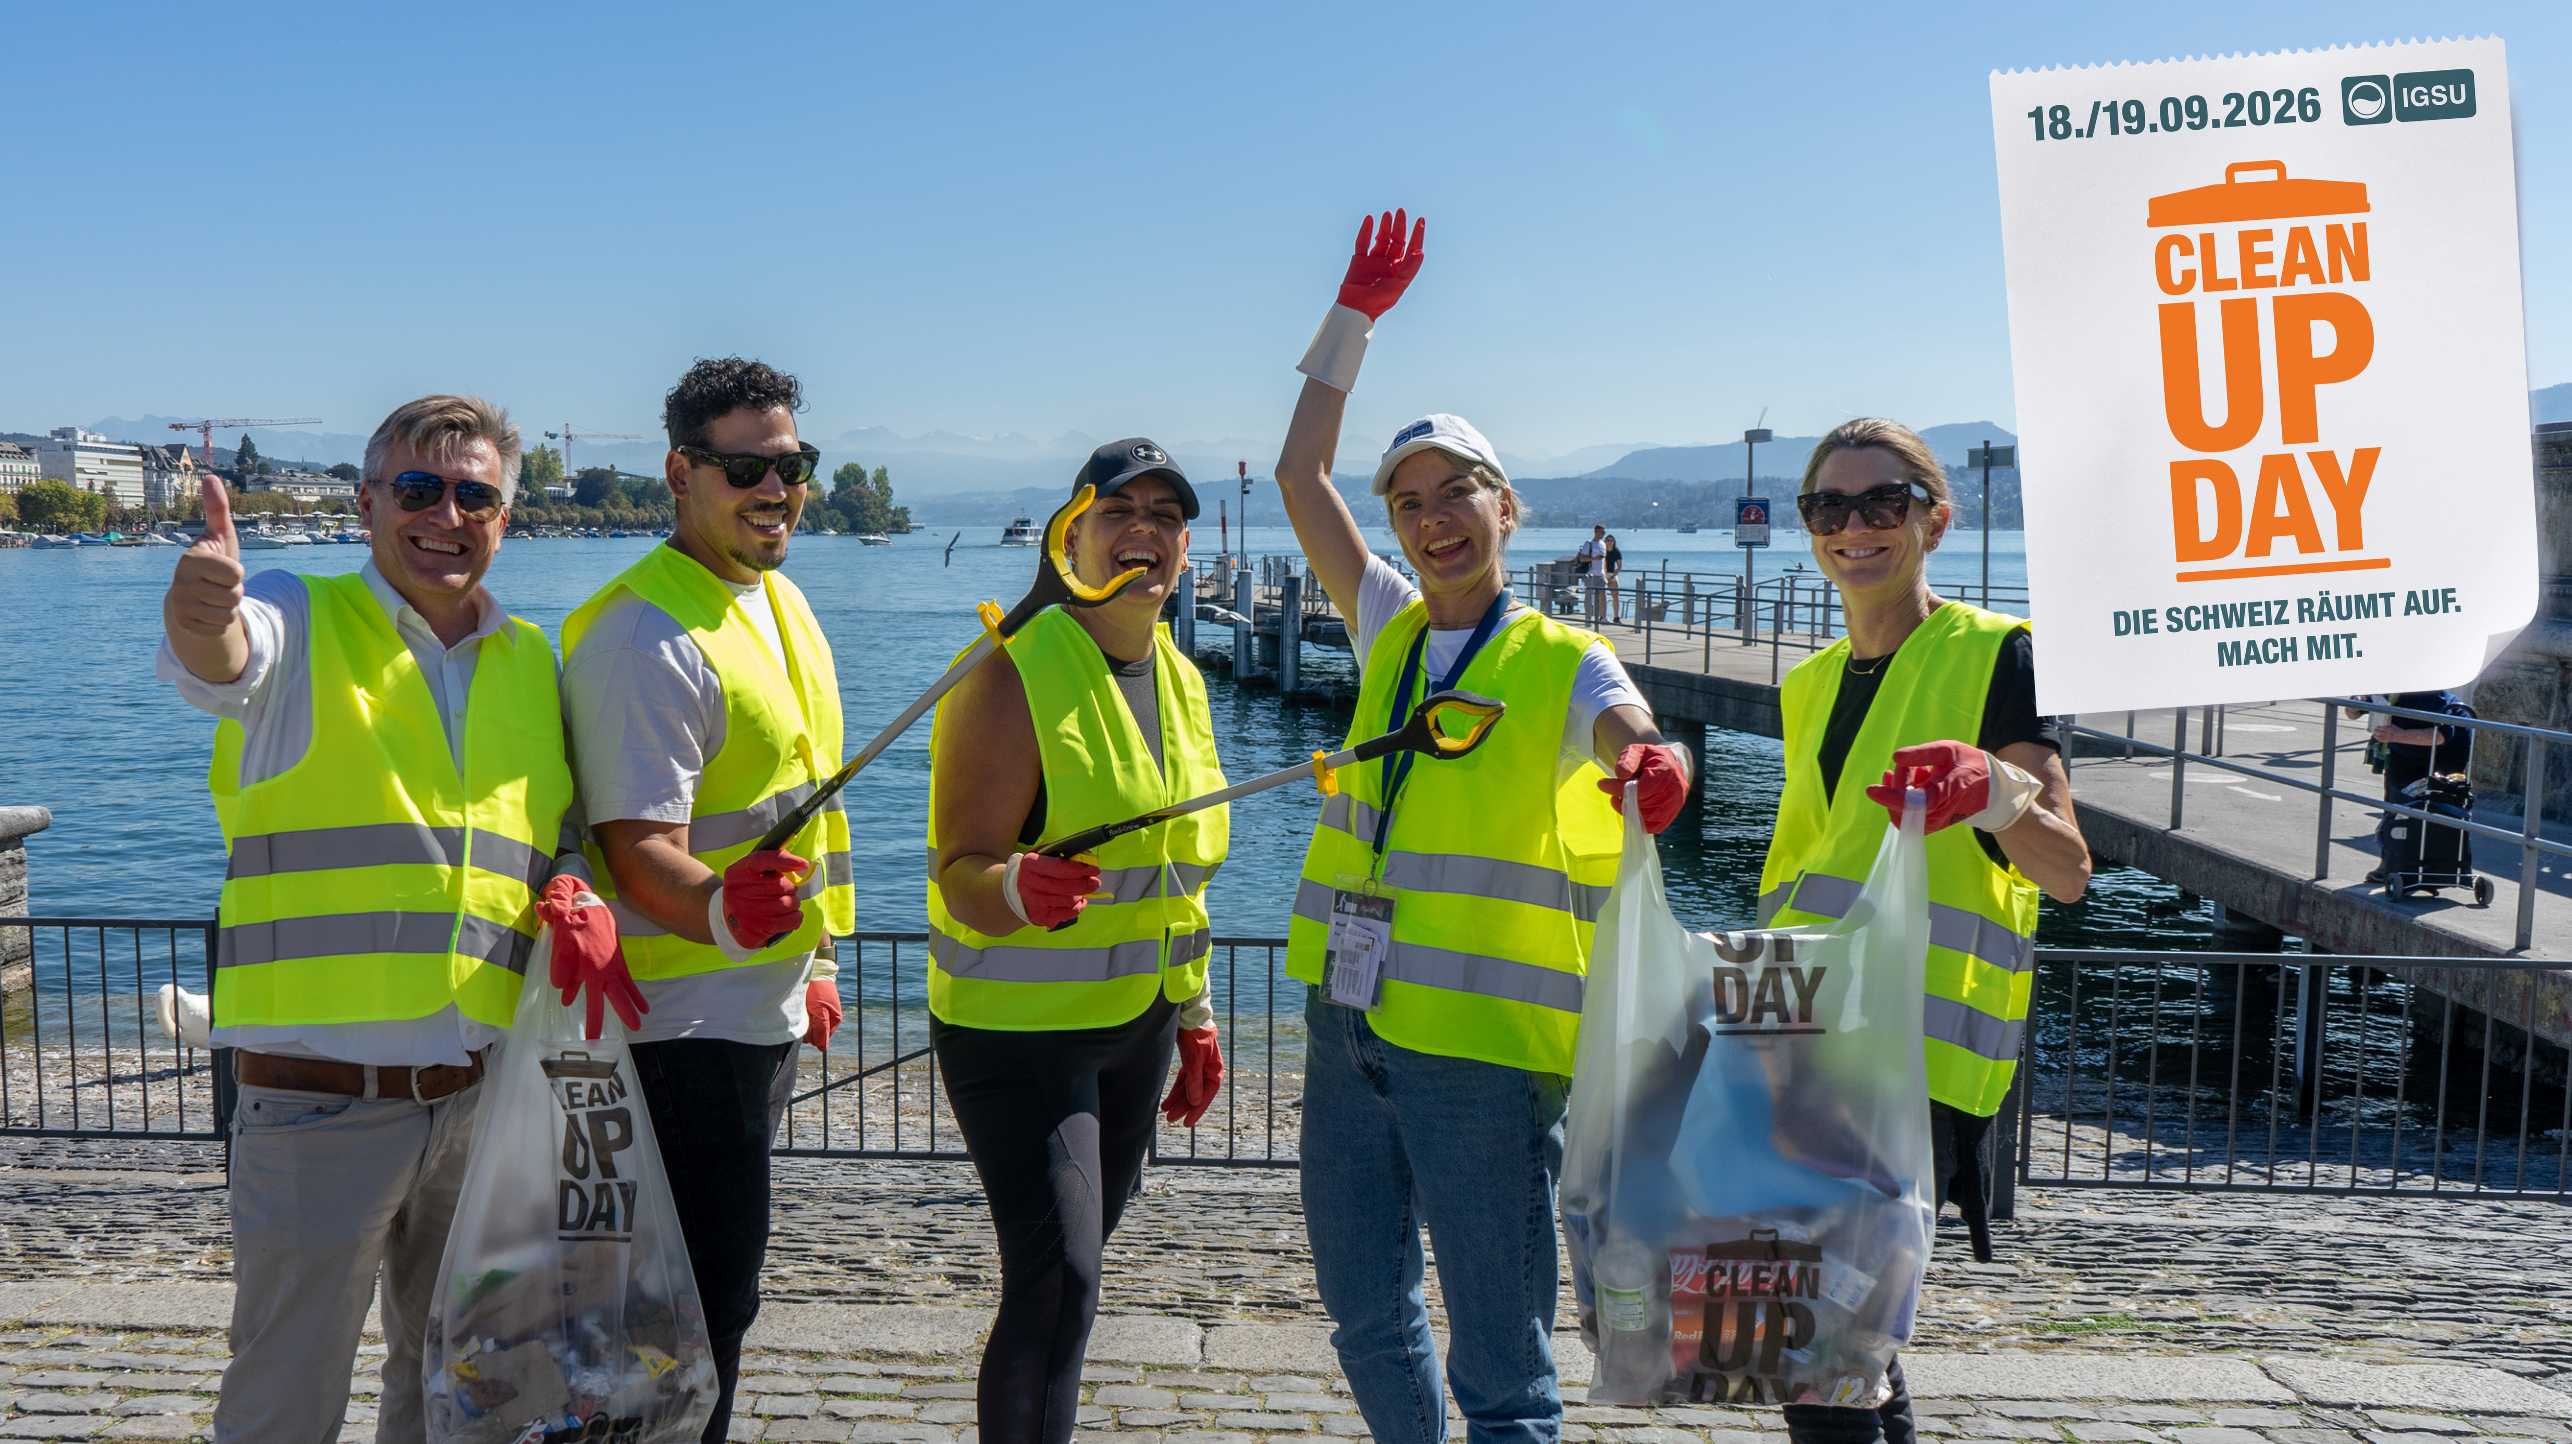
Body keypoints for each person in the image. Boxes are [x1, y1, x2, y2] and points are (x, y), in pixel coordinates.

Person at [1276, 208, 1694, 1444]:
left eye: (1454, 492)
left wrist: (1654, 767)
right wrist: (1349, 319)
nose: (1429, 517)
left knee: (1502, 1364)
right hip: (1346, 1029)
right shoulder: (1388, 622)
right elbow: (1299, 478)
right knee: (1363, 1312)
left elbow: (1632, 729)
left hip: (1484, 1060)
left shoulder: (1565, 658)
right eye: (1406, 502)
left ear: (1506, 507)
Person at [160, 395, 634, 1443]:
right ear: (370, 503)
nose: (446, 514)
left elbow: (550, 833)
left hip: (479, 1103)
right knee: (285, 1398)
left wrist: (574, 884)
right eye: (418, 489)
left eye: (475, 494)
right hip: (319, 1107)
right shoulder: (298, 610)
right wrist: (200, 611)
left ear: (507, 515)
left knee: (451, 1395)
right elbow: (226, 657)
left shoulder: (531, 663)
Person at [1757, 417, 2091, 1444]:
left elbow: (2067, 869)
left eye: (1881, 503)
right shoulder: (1805, 684)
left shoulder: (1999, 654)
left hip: (1914, 1063)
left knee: (1822, 1353)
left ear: (1933, 520)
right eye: (1828, 506)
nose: (1852, 526)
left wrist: (1993, 789)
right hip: (1800, 1049)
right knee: (1834, 1357)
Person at [559, 357, 854, 1442]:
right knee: (683, 1319)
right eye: (746, 467)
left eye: (791, 464)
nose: (776, 487)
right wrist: (730, 917)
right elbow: (640, 853)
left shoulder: (777, 599)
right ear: (680, 472)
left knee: (712, 1308)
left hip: (754, 1011)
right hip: (673, 1031)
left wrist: (815, 965)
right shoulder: (643, 633)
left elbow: (803, 809)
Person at [924, 439, 1228, 1444]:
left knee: (1074, 1292)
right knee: (1057, 1282)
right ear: (1071, 534)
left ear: (1188, 544)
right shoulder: (1010, 671)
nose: (1145, 531)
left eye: (1167, 515)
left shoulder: (1182, 679)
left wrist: (1195, 1014)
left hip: (1133, 1030)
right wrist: (1015, 881)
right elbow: (958, 870)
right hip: (1017, 1035)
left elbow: (1181, 875)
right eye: (1118, 511)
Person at [2342, 691, 2473, 882]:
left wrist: (2398, 735)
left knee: (2430, 817)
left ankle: (2427, 868)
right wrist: (2357, 701)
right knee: (2395, 815)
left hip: (2436, 771)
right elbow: (2352, 713)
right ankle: (2391, 865)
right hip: (2401, 764)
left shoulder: (2438, 697)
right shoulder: (2391, 691)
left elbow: (2441, 736)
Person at [1576, 522, 1610, 623]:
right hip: (1590, 574)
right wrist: (1594, 558)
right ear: (1596, 531)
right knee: (1589, 596)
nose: (1603, 534)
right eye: (1602, 532)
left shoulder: (1603, 543)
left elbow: (1603, 560)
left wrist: (1605, 574)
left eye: (1604, 532)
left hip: (1601, 574)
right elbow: (1582, 559)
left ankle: (1603, 617)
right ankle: (1588, 617)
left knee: (1603, 596)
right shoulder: (1589, 543)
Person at [1603, 531, 1626, 624]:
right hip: (1602, 574)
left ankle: (1616, 617)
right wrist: (1604, 575)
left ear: (1614, 541)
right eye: (1608, 540)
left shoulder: (1616, 551)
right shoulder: (1602, 550)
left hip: (1612, 574)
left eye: (1611, 540)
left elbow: (1619, 566)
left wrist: (1613, 575)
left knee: (1615, 596)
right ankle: (1602, 616)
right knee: (1602, 596)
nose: (1609, 542)